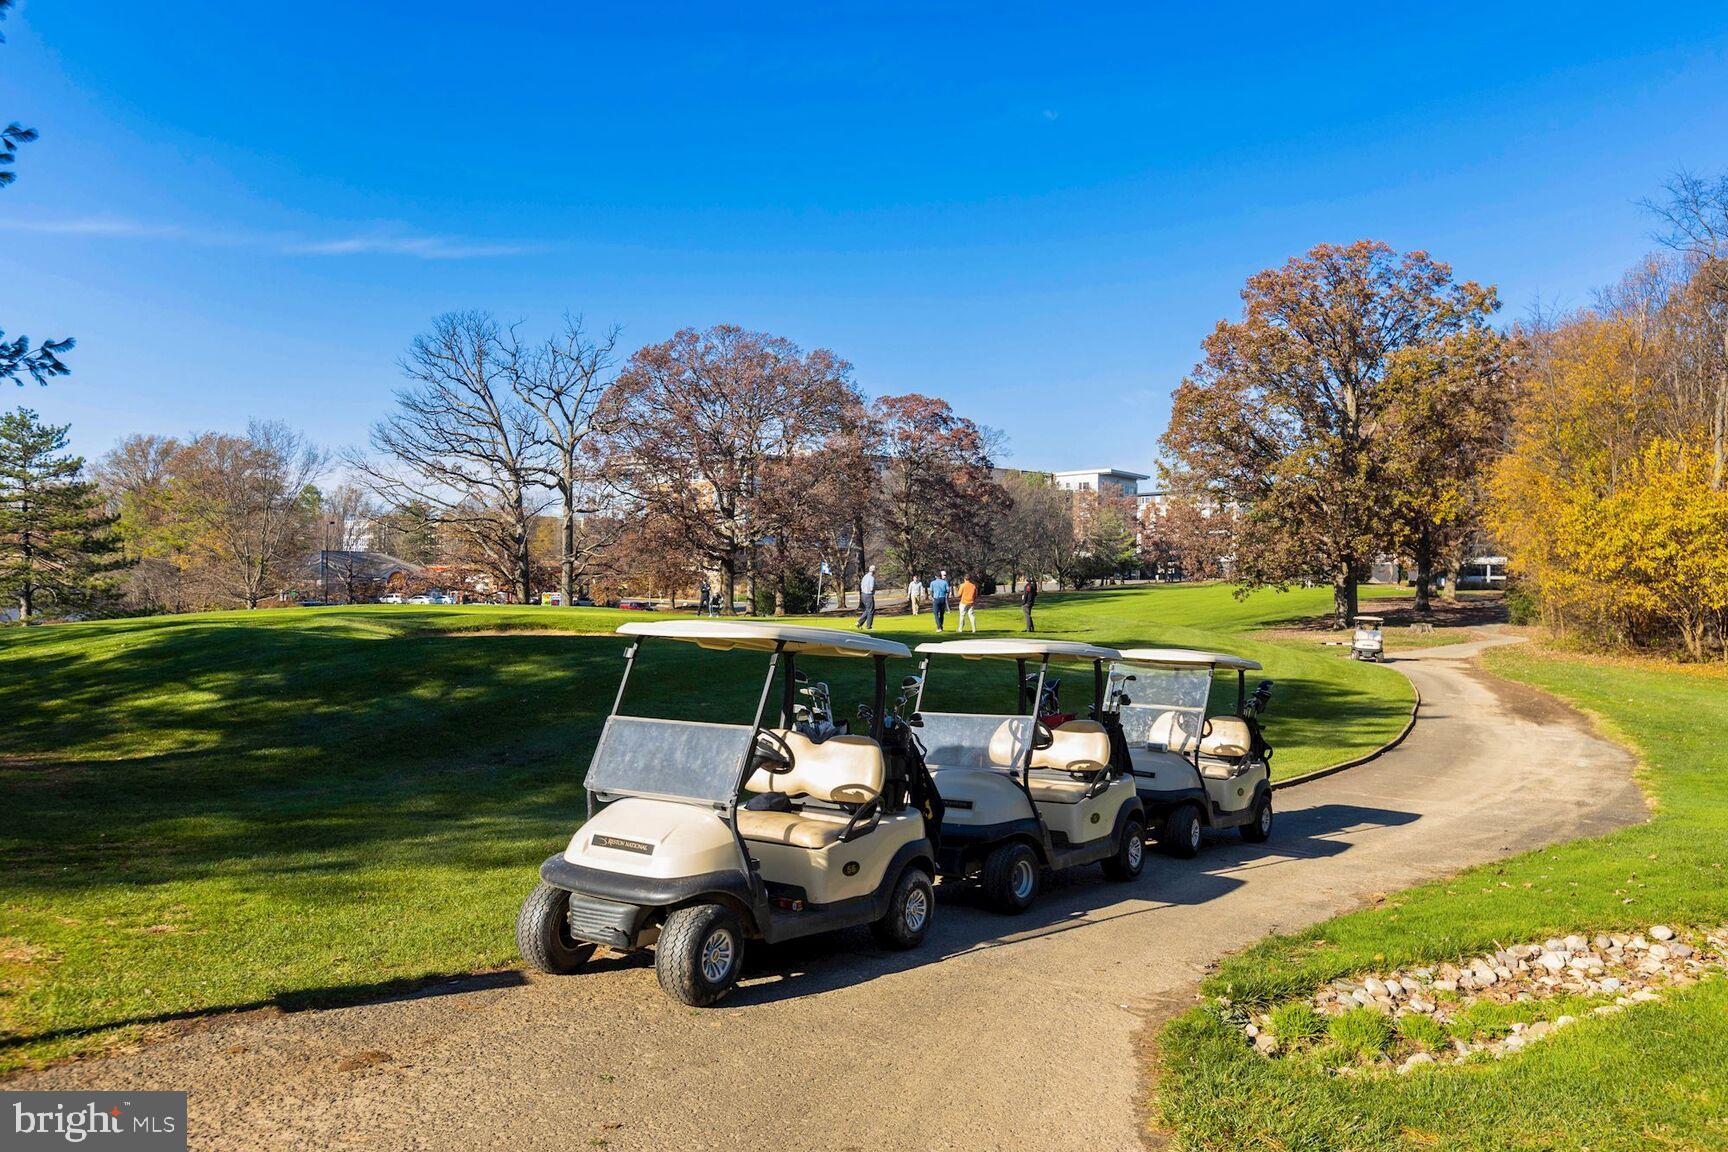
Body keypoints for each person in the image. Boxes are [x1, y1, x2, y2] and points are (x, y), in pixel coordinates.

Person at [856, 565, 877, 630]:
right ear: (874, 570)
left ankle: (859, 623)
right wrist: (874, 590)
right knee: (871, 610)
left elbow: (861, 585)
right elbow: (871, 588)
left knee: (868, 609)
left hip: (863, 594)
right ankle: (869, 626)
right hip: (868, 595)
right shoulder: (871, 578)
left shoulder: (865, 576)